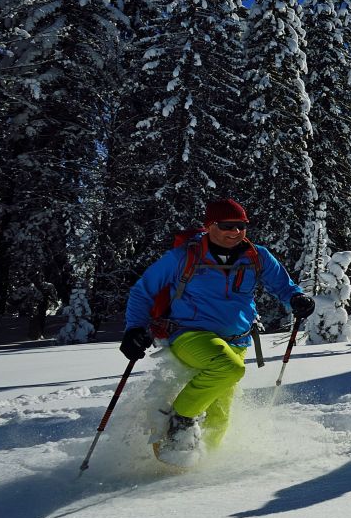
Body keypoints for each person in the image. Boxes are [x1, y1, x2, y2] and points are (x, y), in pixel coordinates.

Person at [121, 199, 312, 467]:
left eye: (241, 226)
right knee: (228, 368)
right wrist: (134, 329)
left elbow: (284, 285)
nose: (235, 232)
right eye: (227, 226)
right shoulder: (184, 257)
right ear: (210, 225)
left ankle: (195, 468)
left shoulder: (257, 256)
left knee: (220, 418)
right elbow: (143, 291)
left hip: (238, 340)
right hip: (190, 335)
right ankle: (180, 419)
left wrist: (296, 298)